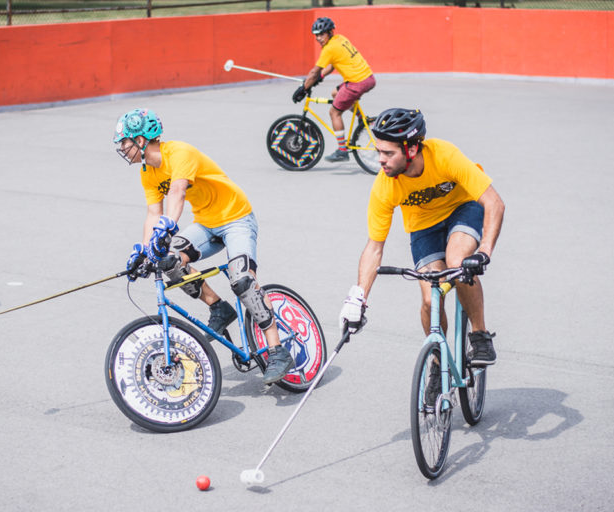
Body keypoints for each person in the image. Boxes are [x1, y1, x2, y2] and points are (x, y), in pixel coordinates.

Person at [114, 108, 293, 385]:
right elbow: (153, 213)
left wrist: (168, 226)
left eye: (125, 141)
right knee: (168, 260)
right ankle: (219, 308)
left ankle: (277, 350)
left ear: (141, 139)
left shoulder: (179, 152)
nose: (122, 148)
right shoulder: (147, 172)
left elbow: (177, 192)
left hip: (237, 219)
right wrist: (143, 250)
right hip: (207, 224)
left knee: (243, 280)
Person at [338, 107, 505, 369]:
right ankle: (438, 363)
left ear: (412, 150)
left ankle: (480, 334)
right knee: (430, 297)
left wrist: (484, 250)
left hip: (463, 208)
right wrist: (358, 298)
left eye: (388, 153)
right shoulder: (385, 185)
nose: (380, 160)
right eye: (379, 151)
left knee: (458, 262)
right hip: (423, 225)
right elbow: (374, 247)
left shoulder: (445, 155)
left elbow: (494, 203)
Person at [292, 16, 376, 163]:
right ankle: (362, 120)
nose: (318, 38)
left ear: (330, 32)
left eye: (321, 34)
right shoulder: (339, 39)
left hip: (356, 83)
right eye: (316, 35)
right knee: (335, 93)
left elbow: (313, 72)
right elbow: (331, 65)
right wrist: (321, 77)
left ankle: (342, 150)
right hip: (367, 78)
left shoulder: (329, 48)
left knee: (334, 112)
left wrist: (303, 88)